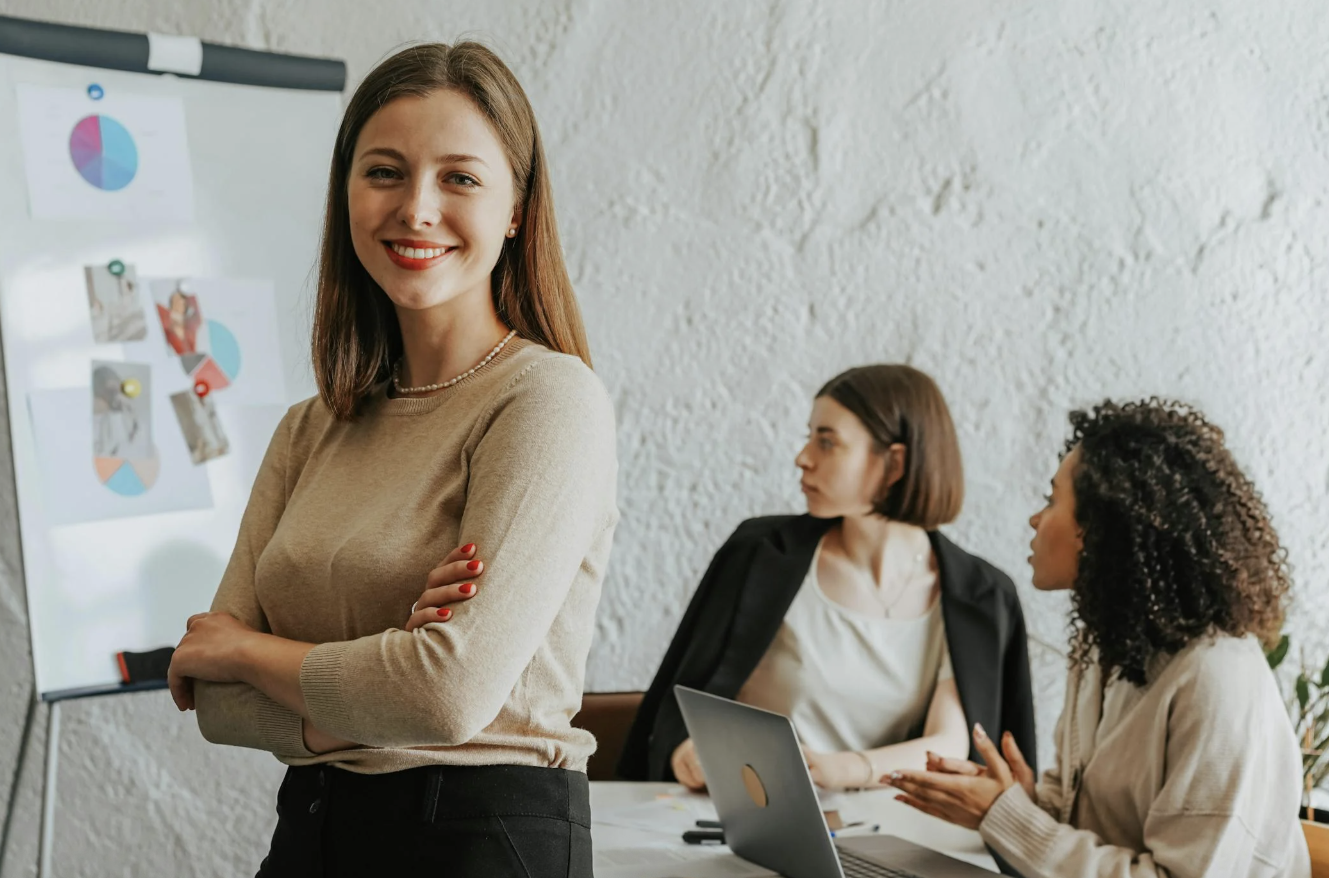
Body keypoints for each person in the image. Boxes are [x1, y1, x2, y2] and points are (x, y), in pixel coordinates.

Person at [166, 41, 617, 876]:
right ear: (345, 195)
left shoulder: (547, 401)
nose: (415, 208)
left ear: (516, 209)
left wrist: (248, 652)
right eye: (384, 172)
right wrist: (381, 675)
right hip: (311, 836)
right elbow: (216, 706)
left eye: (460, 178)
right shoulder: (312, 428)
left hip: (479, 842)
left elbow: (444, 695)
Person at [884, 399, 1310, 878]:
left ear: (1101, 530)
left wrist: (1002, 814)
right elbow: (1093, 826)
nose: (1035, 520)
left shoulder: (1217, 679)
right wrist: (1021, 802)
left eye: (1051, 501)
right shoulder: (1107, 647)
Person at [619, 365, 1036, 798]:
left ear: (895, 463)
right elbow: (681, 702)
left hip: (891, 829)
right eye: (810, 437)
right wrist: (685, 751)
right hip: (748, 813)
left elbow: (952, 745)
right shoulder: (759, 554)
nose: (803, 457)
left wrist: (839, 770)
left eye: (827, 441)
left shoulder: (979, 596)